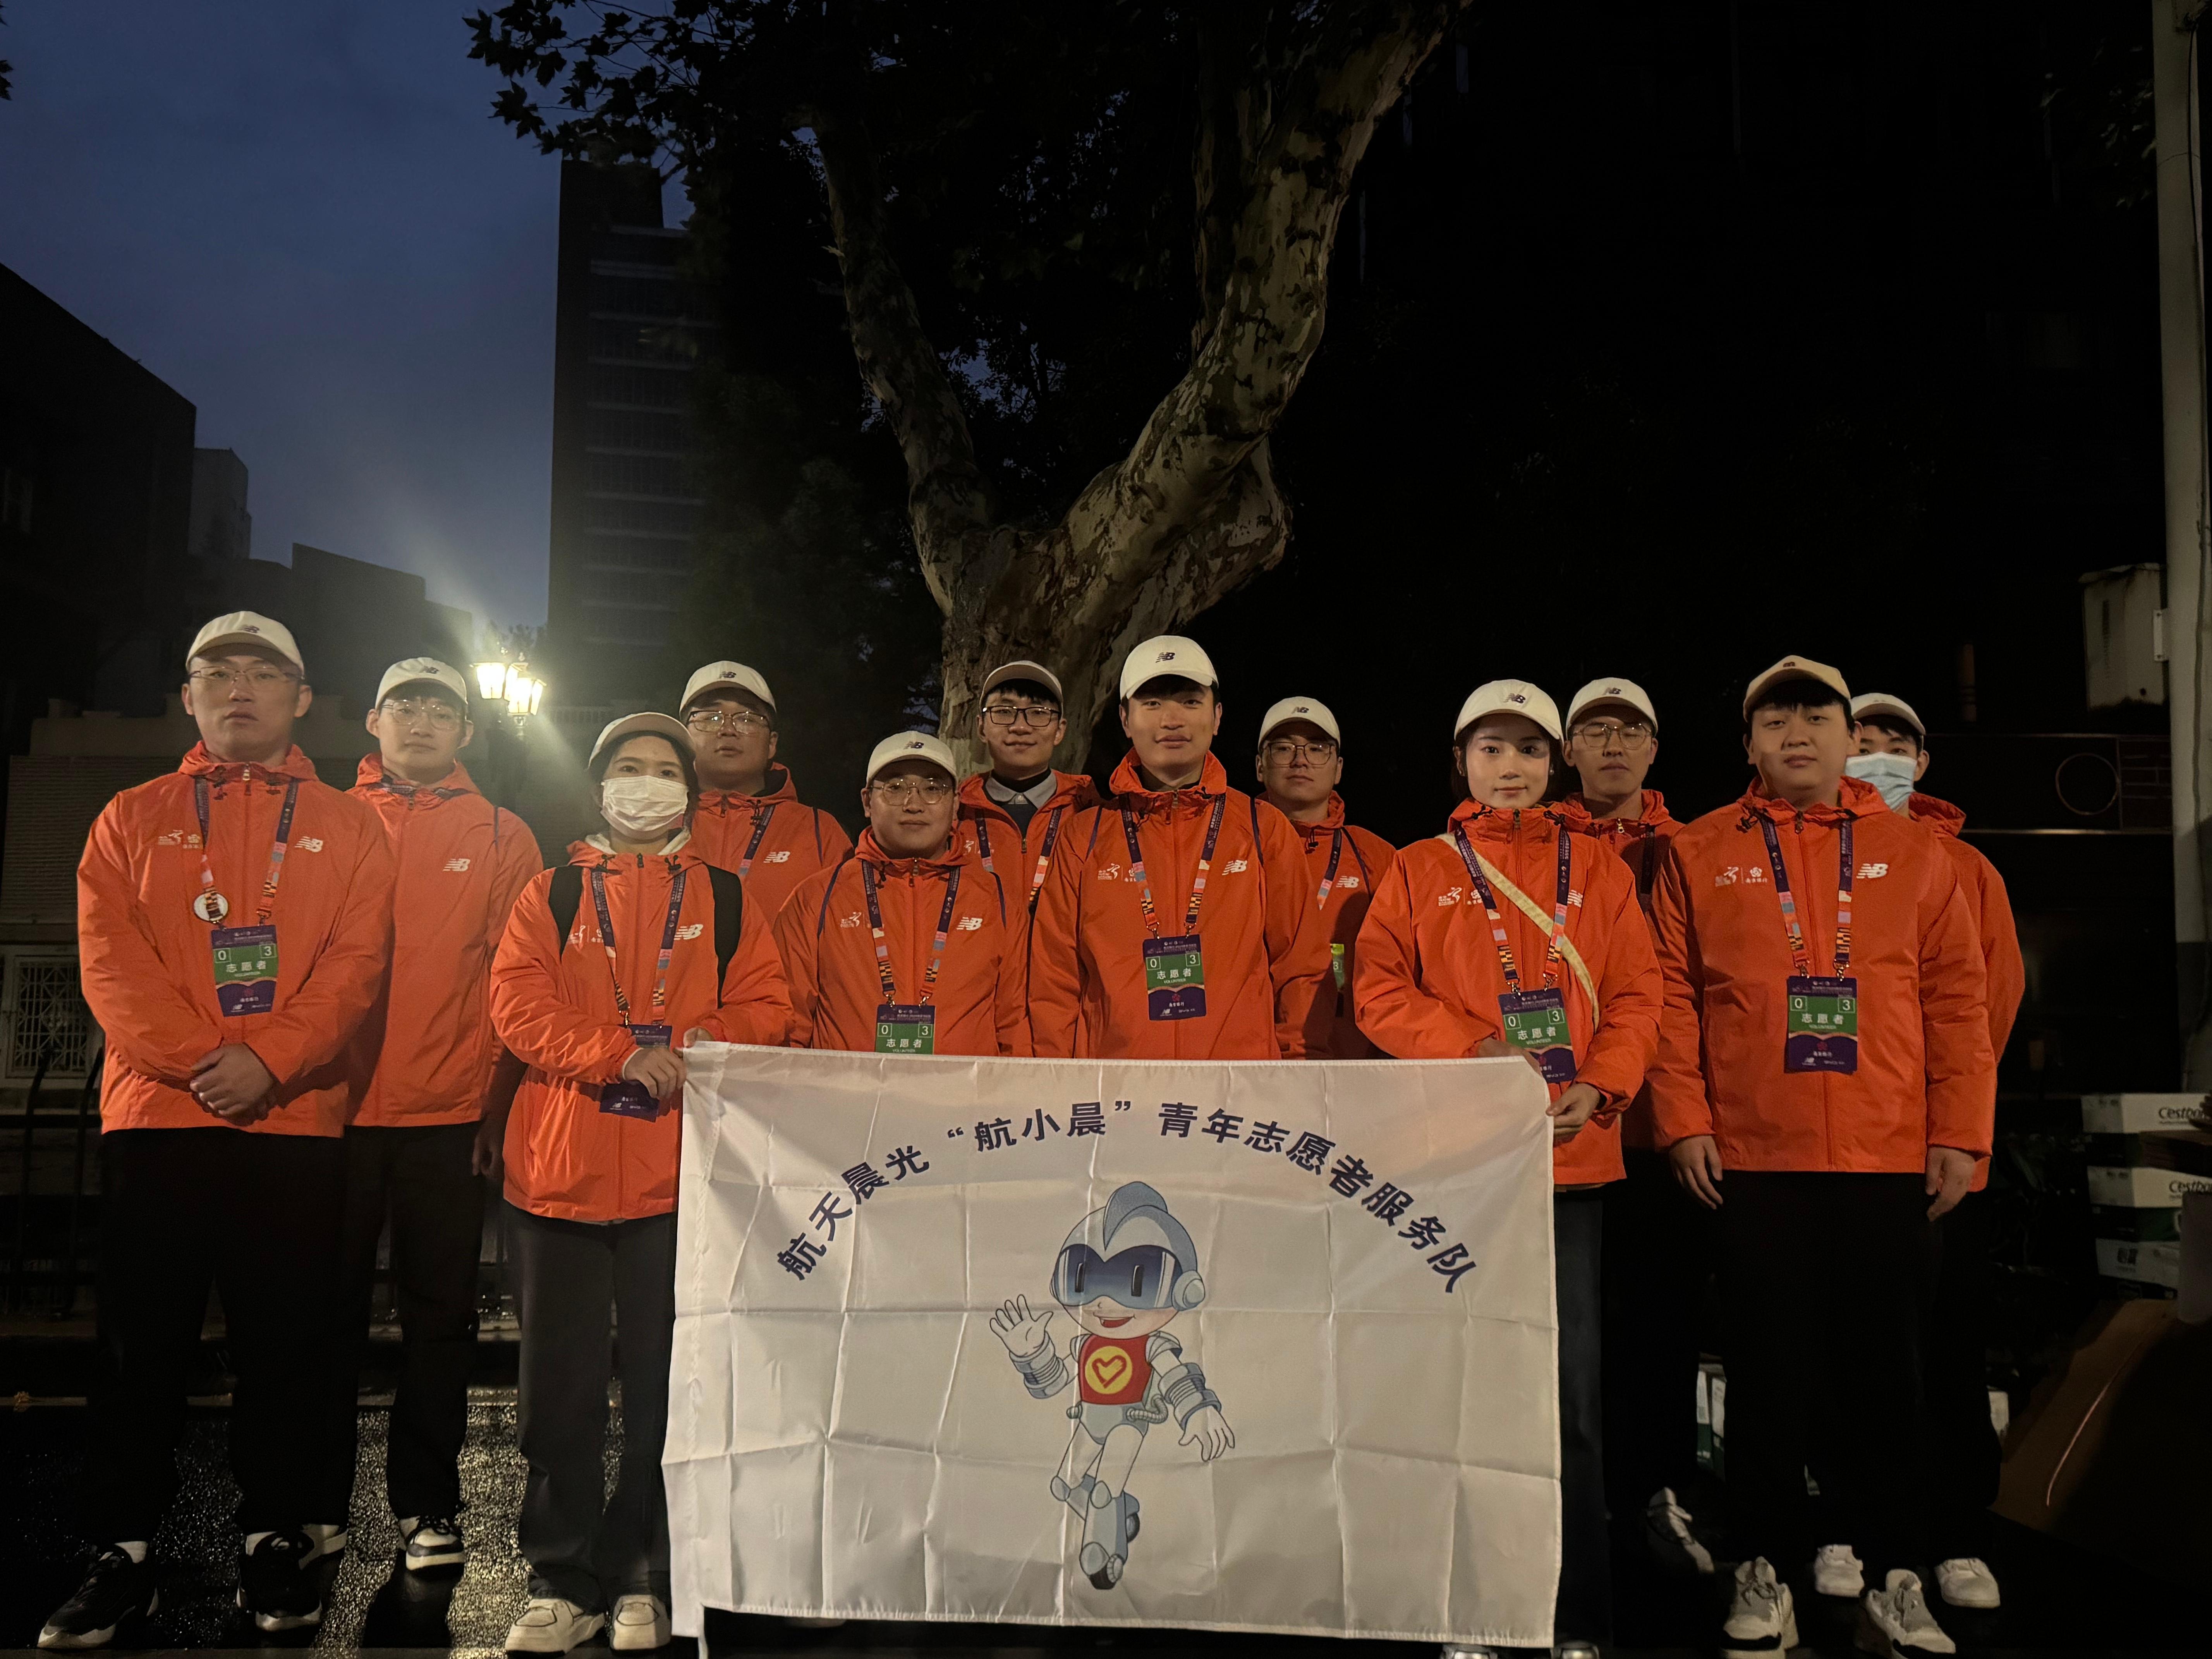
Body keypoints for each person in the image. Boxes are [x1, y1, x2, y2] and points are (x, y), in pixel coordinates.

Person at [50, 611, 395, 1648]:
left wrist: (271, 1061)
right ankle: (124, 1551)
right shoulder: (130, 816)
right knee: (138, 1349)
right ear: (190, 698)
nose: (241, 688)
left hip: (293, 1122)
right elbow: (110, 963)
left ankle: (274, 1537)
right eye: (218, 672)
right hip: (159, 1116)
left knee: (285, 1348)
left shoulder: (351, 825)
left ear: (303, 699)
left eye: (264, 673)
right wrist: (209, 1061)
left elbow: (357, 967)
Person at [1648, 657, 1993, 1659]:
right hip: (1755, 1155)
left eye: (1815, 718)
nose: (1796, 734)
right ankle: (1762, 1566)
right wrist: (1684, 1120)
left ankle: (1897, 1575)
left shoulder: (1916, 851)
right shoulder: (1699, 849)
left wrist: (1959, 1133)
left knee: (1891, 1383)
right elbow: (1670, 996)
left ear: (1850, 739)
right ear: (1749, 743)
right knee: (1767, 1380)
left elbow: (1957, 1001)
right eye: (1775, 721)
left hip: (1889, 1156)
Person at [1355, 679, 1662, 1657]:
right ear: (1461, 762)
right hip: (1456, 1168)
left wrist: (1603, 1086)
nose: (1512, 767)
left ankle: (1574, 1616)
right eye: (1492, 749)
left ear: (1553, 761)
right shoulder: (1420, 867)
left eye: (1530, 749)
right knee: (1460, 1392)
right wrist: (1473, 1050)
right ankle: (1466, 1612)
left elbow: (1637, 993)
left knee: (1568, 1400)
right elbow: (1377, 991)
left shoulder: (1598, 869)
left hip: (1569, 1164)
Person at [489, 714, 790, 1654]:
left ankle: (648, 1574)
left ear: (688, 796)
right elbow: (518, 1005)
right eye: (629, 767)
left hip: (682, 1181)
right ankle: (561, 1574)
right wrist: (620, 1053)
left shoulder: (727, 897)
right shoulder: (553, 891)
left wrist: (690, 1051)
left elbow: (767, 1004)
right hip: (559, 1177)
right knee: (559, 1394)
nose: (647, 783)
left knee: (671, 1390)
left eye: (665, 770)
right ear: (599, 788)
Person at [321, 658, 544, 1573]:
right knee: (321, 1316)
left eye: (441, 709)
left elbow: (514, 980)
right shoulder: (327, 819)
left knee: (440, 1320)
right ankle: (314, 1505)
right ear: (372, 720)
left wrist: (494, 1106)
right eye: (404, 705)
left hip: (447, 1113)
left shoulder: (502, 833)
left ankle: (427, 1505)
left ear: (467, 733)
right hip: (329, 1109)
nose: (420, 720)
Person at [1843, 691, 2025, 1614]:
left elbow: (1989, 1006)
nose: (1876, 755)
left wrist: (1952, 1125)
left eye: (1894, 744)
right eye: (1860, 740)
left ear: (1921, 764)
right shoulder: (1813, 859)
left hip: (1944, 1155)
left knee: (1951, 1352)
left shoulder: (1966, 867)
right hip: (1847, 1155)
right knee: (1858, 1352)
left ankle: (1957, 1534)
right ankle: (1859, 1529)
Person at [1554, 677, 1709, 1577]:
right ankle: (1570, 1503)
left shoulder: (1697, 848)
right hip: (1564, 1127)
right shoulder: (1529, 847)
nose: (1613, 745)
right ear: (1568, 750)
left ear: (1655, 748)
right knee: (1567, 1328)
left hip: (1662, 1127)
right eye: (1595, 730)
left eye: (1631, 731)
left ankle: (1657, 1493)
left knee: (1659, 1321)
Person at [1028, 635, 1324, 1059]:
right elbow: (1054, 982)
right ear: (1126, 719)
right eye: (1152, 704)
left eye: (1189, 702)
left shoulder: (1264, 829)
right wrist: (1056, 1082)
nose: (1171, 720)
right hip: (1118, 1086)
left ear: (1217, 716)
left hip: (1238, 1087)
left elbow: (1302, 969)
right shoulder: (1084, 836)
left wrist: (1297, 1074)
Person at [778, 732, 1030, 1054]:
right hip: (848, 1088)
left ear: (956, 804)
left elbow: (1015, 1026)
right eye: (895, 788)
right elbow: (789, 1026)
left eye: (933, 789)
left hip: (964, 1089)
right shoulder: (817, 898)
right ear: (868, 802)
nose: (913, 804)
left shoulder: (995, 899)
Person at [1254, 696, 1396, 1058]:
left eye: (1317, 749)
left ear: (1339, 769)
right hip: (1249, 1058)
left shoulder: (1376, 856)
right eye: (1283, 748)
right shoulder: (1231, 848)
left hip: (1353, 1061)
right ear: (1260, 766)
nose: (1300, 760)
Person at [677, 661, 852, 922]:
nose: (728, 730)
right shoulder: (654, 821)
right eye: (710, 718)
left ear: (772, 744)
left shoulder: (820, 832)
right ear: (684, 737)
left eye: (747, 719)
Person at [955, 659, 1100, 914]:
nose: (1020, 727)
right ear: (981, 728)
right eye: (1003, 712)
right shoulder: (955, 815)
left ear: (1060, 731)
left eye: (1038, 713)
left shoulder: (1092, 812)